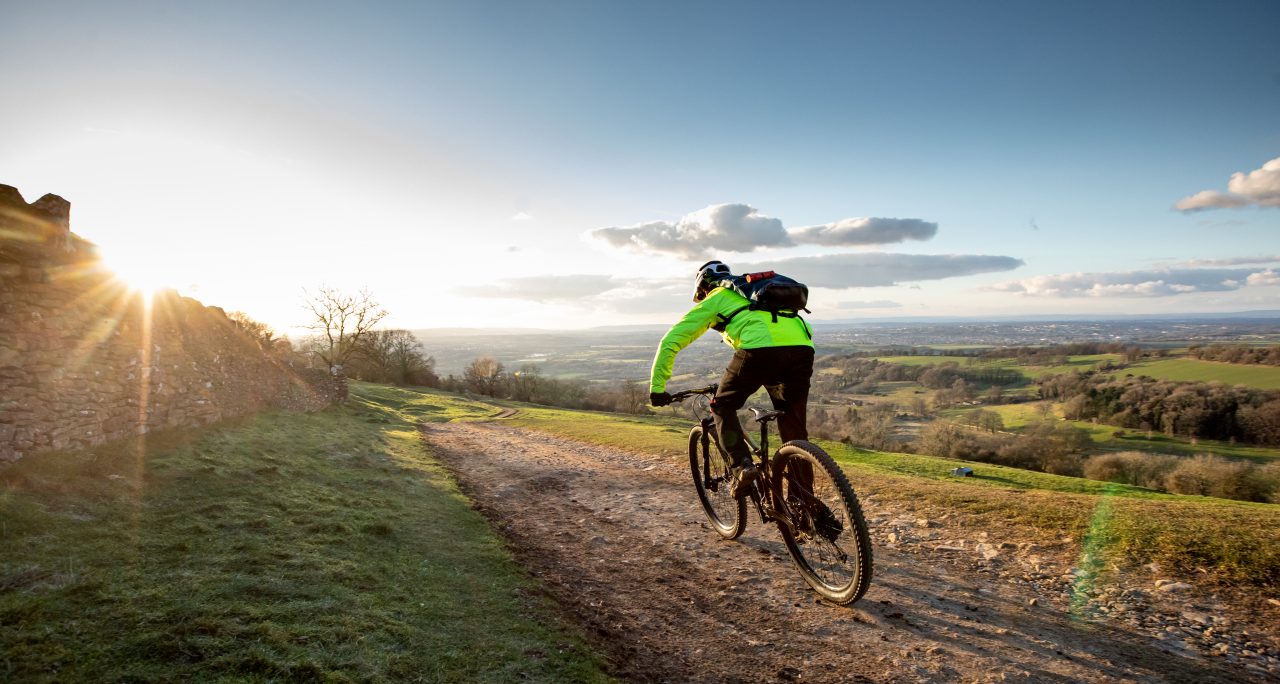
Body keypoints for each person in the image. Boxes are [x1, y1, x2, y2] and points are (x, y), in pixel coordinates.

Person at [649, 260, 814, 496]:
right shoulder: (754, 292)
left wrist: (657, 389)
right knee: (794, 428)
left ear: (703, 288)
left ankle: (741, 466)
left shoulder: (717, 296)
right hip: (803, 349)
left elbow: (670, 342)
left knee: (721, 405)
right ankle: (805, 504)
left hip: (760, 350)